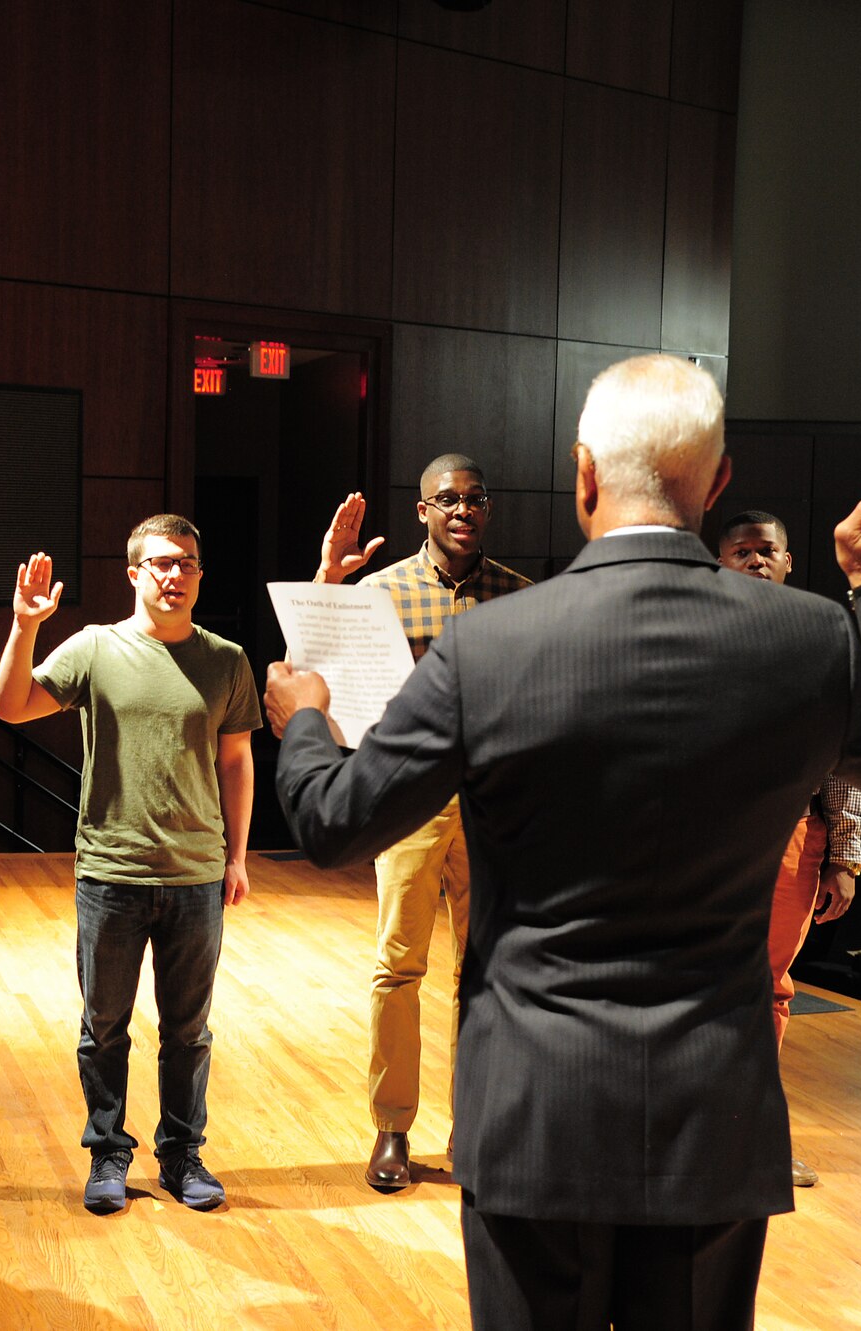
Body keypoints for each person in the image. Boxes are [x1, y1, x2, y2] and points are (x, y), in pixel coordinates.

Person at [266, 354, 861, 1330]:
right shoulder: (809, 639)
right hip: (713, 1122)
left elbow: (330, 819)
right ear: (717, 479)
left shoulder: (487, 645)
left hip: (532, 1114)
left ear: (581, 474)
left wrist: (304, 714)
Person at [0, 515, 261, 1216]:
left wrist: (236, 855)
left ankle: (181, 1154)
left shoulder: (227, 660)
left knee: (189, 1030)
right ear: (135, 572)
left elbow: (236, 761)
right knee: (104, 1026)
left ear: (201, 574)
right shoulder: (94, 648)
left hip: (196, 875)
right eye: (164, 562)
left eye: (190, 564)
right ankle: (109, 1153)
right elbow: (10, 705)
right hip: (110, 872)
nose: (177, 575)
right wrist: (25, 626)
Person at [313, 459, 531, 1191]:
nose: (461, 509)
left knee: (489, 971)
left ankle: (478, 1123)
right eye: (447, 499)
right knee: (397, 964)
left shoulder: (519, 595)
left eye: (474, 498)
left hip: (494, 801)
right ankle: (392, 1128)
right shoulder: (380, 593)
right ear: (421, 510)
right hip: (411, 798)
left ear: (487, 508)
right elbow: (322, 668)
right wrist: (327, 580)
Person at [716, 509, 861, 1189]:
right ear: (718, 563)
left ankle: (754, 1137)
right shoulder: (693, 636)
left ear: (788, 561)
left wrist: (845, 852)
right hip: (706, 834)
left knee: (771, 986)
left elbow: (848, 758)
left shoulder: (822, 641)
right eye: (742, 551)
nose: (755, 561)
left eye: (767, 551)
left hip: (793, 834)